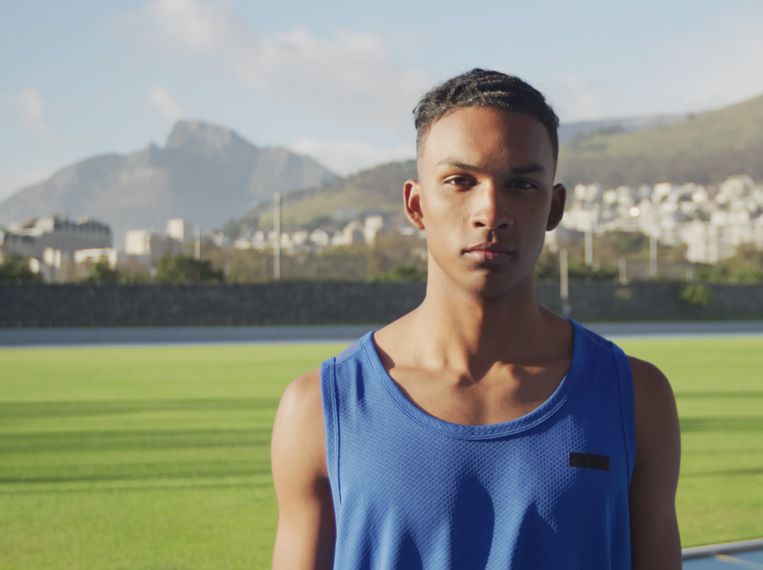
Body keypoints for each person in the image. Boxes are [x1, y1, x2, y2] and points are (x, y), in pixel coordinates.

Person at [271, 69, 681, 569]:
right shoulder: (318, 409)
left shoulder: (637, 398)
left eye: (522, 184)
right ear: (416, 205)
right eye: (461, 181)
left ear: (554, 207)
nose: (491, 210)